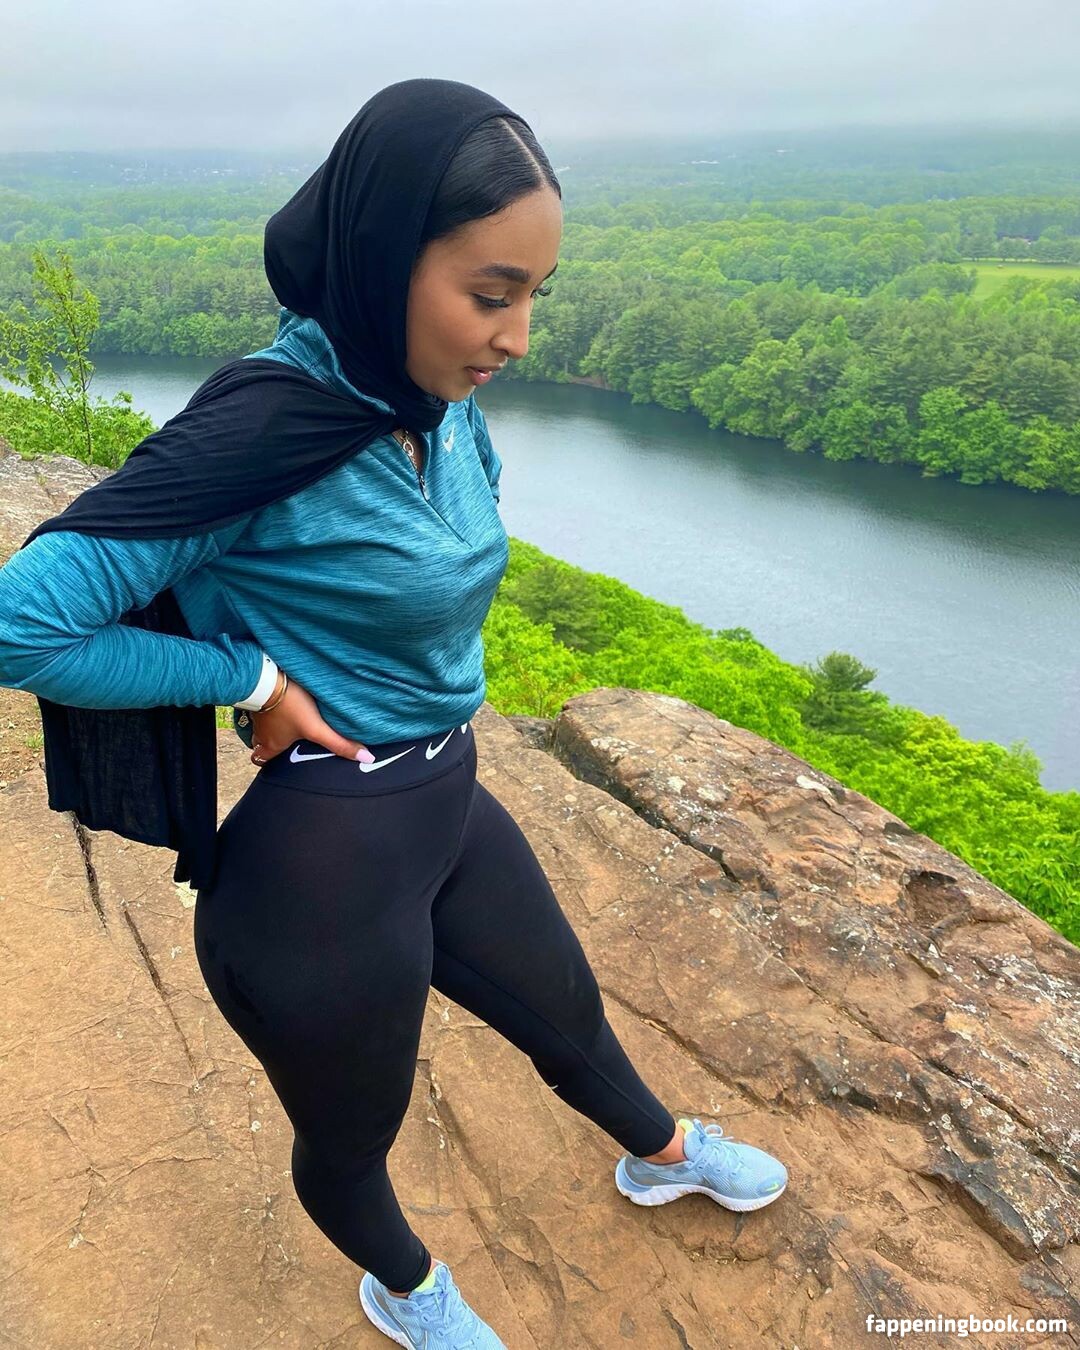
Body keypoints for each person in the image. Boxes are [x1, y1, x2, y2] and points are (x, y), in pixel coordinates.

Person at [0, 78, 788, 1349]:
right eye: (491, 294)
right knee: (351, 1136)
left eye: (535, 297)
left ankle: (661, 1154)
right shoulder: (265, 429)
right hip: (320, 865)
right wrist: (249, 681)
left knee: (566, 1012)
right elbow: (23, 625)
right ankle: (409, 1288)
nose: (517, 338)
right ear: (380, 260)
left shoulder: (435, 401)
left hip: (445, 799)